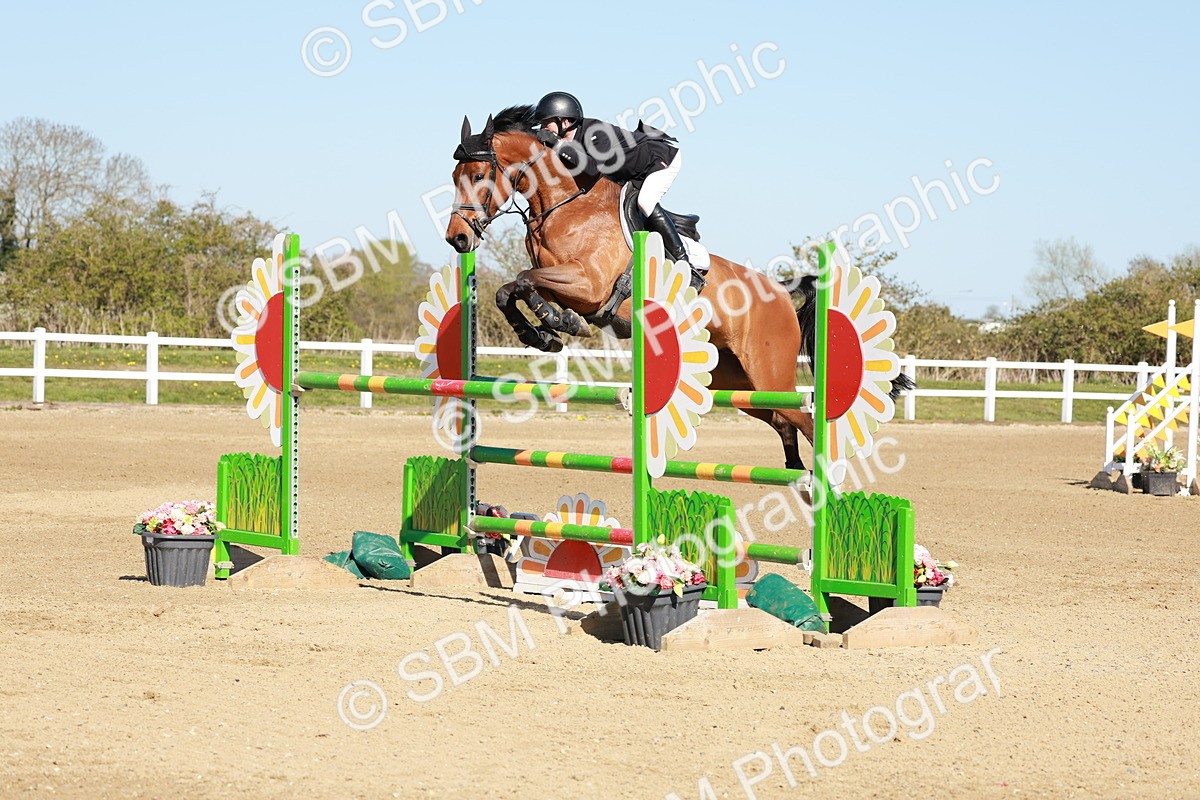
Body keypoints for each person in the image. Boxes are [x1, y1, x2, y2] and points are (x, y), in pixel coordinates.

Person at [533, 91, 702, 278]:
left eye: (545, 123)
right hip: (632, 172)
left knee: (645, 202)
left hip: (660, 159)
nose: (543, 128)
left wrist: (556, 143)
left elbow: (591, 168)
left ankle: (685, 263)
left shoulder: (594, 132)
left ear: (565, 121)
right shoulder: (568, 140)